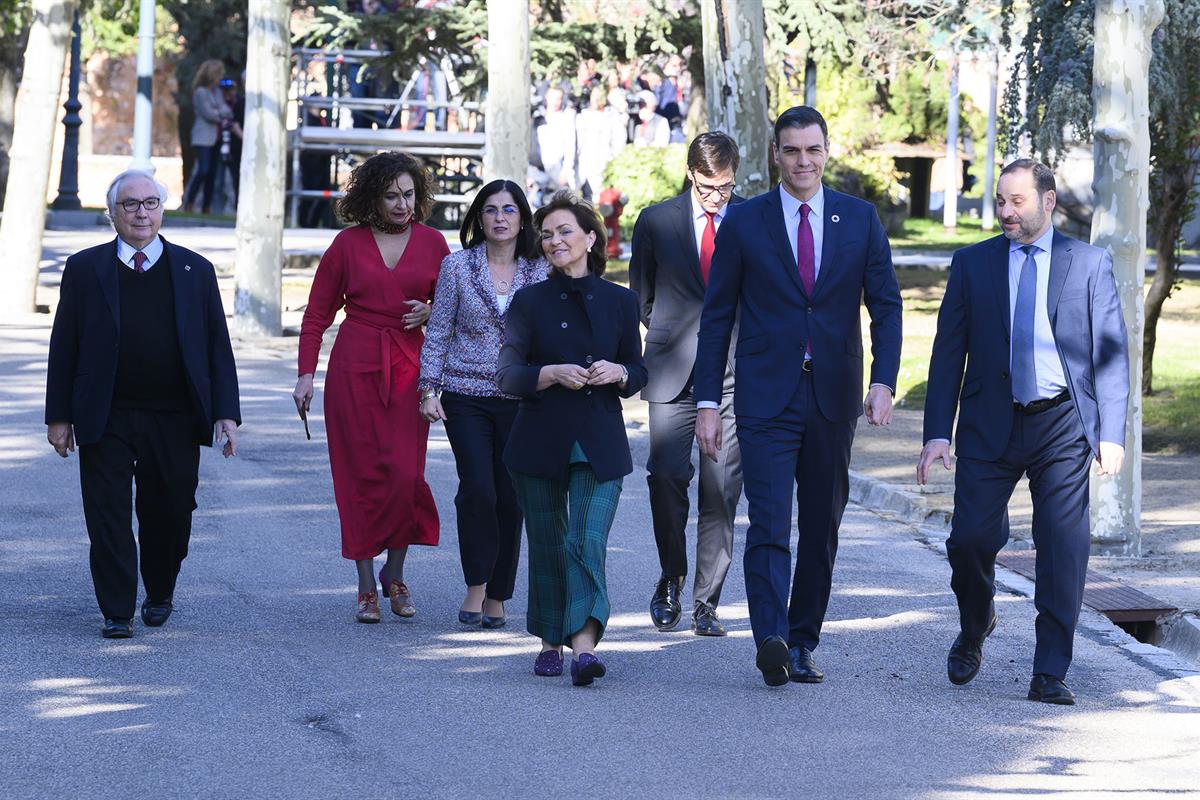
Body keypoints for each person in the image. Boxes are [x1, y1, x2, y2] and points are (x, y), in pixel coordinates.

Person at [694, 106, 903, 687]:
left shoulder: (859, 219)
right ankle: (772, 638)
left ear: (826, 151)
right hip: (765, 398)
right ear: (776, 155)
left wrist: (882, 380)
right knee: (767, 521)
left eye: (812, 150)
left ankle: (805, 639)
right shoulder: (746, 222)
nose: (803, 161)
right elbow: (717, 319)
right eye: (791, 150)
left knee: (821, 525)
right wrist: (707, 402)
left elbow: (885, 305)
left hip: (834, 398)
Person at [917, 159, 1129, 706]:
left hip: (1061, 422)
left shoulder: (1088, 263)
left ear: (1049, 201)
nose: (1006, 213)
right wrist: (937, 433)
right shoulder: (973, 264)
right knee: (969, 541)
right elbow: (947, 355)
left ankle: (1050, 670)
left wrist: (1111, 432)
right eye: (1001, 202)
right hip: (991, 420)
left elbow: (1110, 353)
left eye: (1017, 202)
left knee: (1062, 547)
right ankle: (975, 622)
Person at [45, 169, 241, 639]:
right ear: (111, 213)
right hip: (105, 412)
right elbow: (64, 344)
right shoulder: (85, 268)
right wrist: (58, 416)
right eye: (130, 204)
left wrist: (226, 412)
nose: (141, 212)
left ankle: (159, 589)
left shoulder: (195, 270)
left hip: (174, 415)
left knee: (170, 510)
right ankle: (117, 609)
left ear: (162, 209)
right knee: (107, 512)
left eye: (150, 203)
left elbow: (218, 346)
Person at [496, 190, 647, 686]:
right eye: (546, 234)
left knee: (585, 538)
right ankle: (548, 640)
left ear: (589, 238)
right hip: (539, 441)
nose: (554, 240)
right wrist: (551, 373)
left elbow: (640, 369)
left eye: (564, 231)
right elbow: (508, 375)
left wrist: (620, 371)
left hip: (600, 443)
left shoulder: (621, 301)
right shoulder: (528, 301)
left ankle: (583, 646)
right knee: (547, 543)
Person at [294, 151, 446, 624]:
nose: (402, 204)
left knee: (405, 476)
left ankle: (394, 573)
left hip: (408, 370)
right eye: (391, 195)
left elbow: (455, 310)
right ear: (371, 198)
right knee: (357, 477)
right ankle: (365, 585)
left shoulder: (434, 242)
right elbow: (318, 313)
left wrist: (430, 311)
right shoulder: (347, 244)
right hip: (354, 368)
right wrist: (305, 374)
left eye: (408, 194)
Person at [629, 132, 745, 637]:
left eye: (725, 187)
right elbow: (643, 295)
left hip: (735, 375)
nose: (716, 197)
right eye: (707, 187)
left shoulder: (752, 218)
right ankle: (671, 576)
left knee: (721, 492)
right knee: (667, 480)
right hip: (671, 369)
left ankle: (706, 601)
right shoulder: (656, 220)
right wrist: (674, 338)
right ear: (690, 173)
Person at [418, 179, 546, 628]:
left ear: (522, 218)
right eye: (490, 209)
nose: (499, 218)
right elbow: (438, 331)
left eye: (509, 210)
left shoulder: (541, 269)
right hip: (465, 395)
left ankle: (498, 594)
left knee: (510, 497)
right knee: (478, 489)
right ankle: (475, 585)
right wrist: (429, 389)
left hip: (521, 397)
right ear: (479, 217)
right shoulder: (456, 268)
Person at [183, 59, 233, 215]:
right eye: (219, 74)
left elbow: (227, 111)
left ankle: (206, 206)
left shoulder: (216, 92)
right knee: (202, 170)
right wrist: (220, 114)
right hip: (202, 137)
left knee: (212, 173)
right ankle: (189, 202)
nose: (221, 77)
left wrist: (220, 112)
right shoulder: (200, 92)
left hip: (216, 138)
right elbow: (208, 114)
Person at [575, 86, 626, 201]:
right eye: (594, 96)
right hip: (583, 167)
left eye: (599, 96)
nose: (596, 99)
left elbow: (618, 142)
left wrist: (612, 161)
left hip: (602, 167)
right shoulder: (581, 117)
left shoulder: (612, 118)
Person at [536, 86, 577, 190]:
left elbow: (570, 146)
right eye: (553, 98)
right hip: (537, 170)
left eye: (558, 98)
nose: (555, 102)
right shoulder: (538, 117)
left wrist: (566, 171)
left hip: (557, 170)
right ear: (546, 97)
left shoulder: (566, 119)